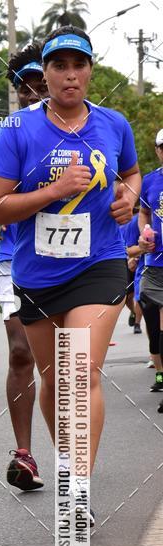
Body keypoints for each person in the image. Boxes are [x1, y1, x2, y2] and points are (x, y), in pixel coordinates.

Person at [0, 26, 141, 526]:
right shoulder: (15, 130)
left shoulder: (114, 124)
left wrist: (128, 197)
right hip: (37, 272)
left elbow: (131, 173)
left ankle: (77, 490)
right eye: (59, 66)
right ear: (46, 75)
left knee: (79, 372)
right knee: (54, 382)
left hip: (99, 263)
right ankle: (68, 468)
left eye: (79, 65)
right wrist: (53, 192)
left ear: (90, 70)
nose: (69, 75)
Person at [0, 43, 49, 491]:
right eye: (22, 85)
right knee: (20, 350)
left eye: (37, 83)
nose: (30, 92)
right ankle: (24, 454)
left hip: (73, 263)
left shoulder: (84, 127)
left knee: (66, 364)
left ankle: (73, 459)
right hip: (16, 258)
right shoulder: (9, 130)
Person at [138, 129, 163, 410]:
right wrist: (144, 232)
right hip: (156, 262)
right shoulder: (150, 181)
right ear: (157, 151)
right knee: (154, 327)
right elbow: (144, 212)